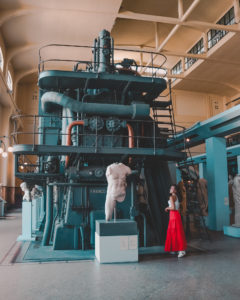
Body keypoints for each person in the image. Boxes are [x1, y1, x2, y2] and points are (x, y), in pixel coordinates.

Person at [164, 184, 187, 258]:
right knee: (177, 232)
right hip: (175, 215)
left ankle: (181, 251)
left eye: (173, 188)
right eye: (171, 188)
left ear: (175, 191)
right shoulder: (176, 197)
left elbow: (173, 207)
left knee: (176, 233)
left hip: (174, 215)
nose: (171, 189)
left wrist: (167, 208)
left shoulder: (171, 197)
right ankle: (178, 249)